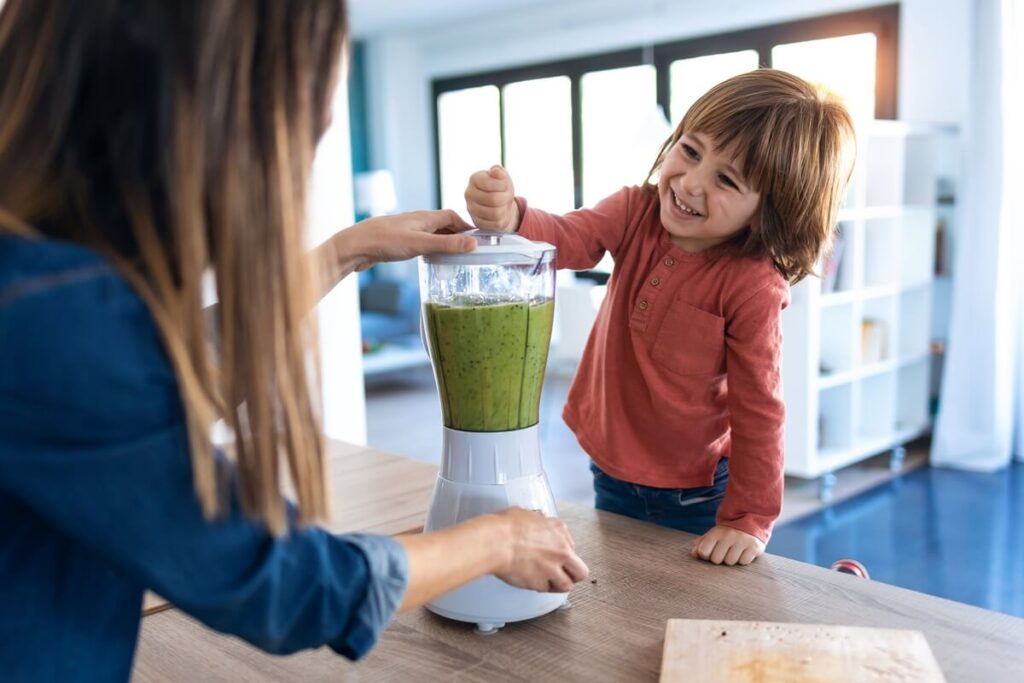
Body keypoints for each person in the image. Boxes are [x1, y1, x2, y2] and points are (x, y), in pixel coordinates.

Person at [0, 1, 587, 680]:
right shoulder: (54, 321)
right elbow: (277, 579)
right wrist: (498, 536)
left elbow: (158, 387)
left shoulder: (39, 279)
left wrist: (348, 251)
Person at [465, 69, 855, 567]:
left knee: (691, 599)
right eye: (690, 151)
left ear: (770, 212)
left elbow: (759, 408)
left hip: (697, 492)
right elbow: (566, 237)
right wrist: (512, 217)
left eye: (727, 180)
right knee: (624, 586)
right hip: (611, 465)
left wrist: (748, 519)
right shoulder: (634, 210)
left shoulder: (752, 284)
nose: (690, 183)